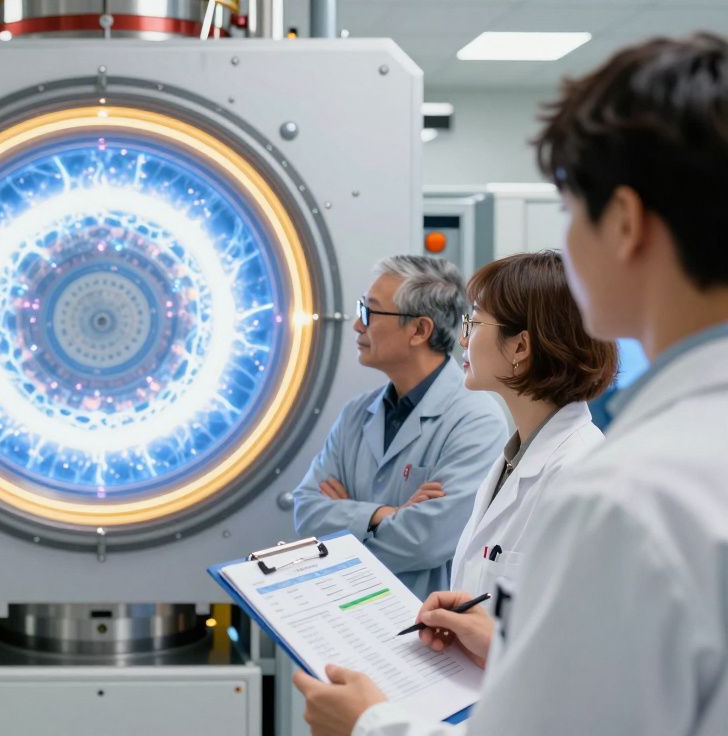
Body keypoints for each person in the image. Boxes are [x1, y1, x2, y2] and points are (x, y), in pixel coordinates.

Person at [292, 32, 728, 735]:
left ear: (623, 223)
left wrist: (368, 725)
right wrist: (510, 645)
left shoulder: (627, 495)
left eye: (570, 210)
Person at [291, 255, 507, 599]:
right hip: (343, 618)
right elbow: (306, 511)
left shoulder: (476, 421)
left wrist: (347, 516)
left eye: (369, 312)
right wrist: (384, 514)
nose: (357, 326)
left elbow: (427, 541)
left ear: (420, 330)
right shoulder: (356, 414)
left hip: (421, 627)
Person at [449, 251, 617, 597]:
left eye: (475, 323)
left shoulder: (577, 472)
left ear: (521, 347)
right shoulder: (514, 459)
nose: (463, 340)